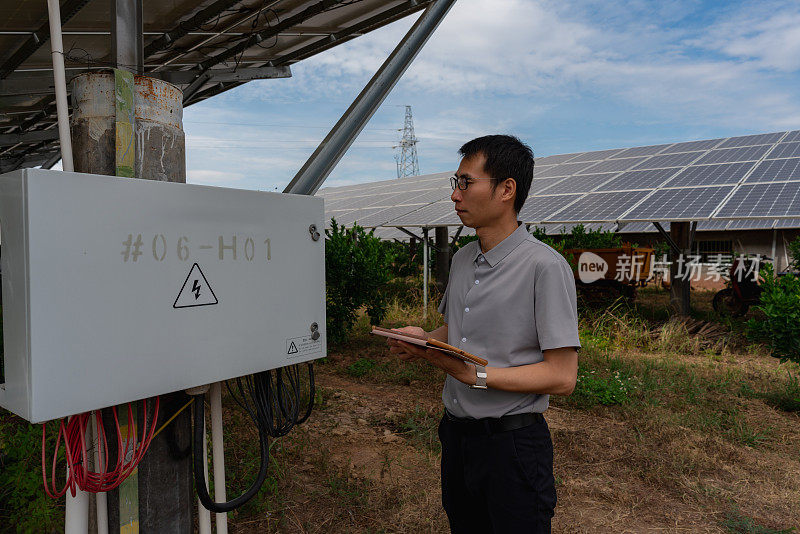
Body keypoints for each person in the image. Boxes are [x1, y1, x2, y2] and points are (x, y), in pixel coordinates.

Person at [387, 135, 580, 533]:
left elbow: (562, 376)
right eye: (454, 184)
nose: (455, 196)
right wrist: (424, 339)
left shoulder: (545, 267)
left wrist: (473, 374)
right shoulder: (462, 258)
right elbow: (455, 328)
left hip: (512, 447)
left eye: (465, 183)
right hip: (457, 437)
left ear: (506, 189)